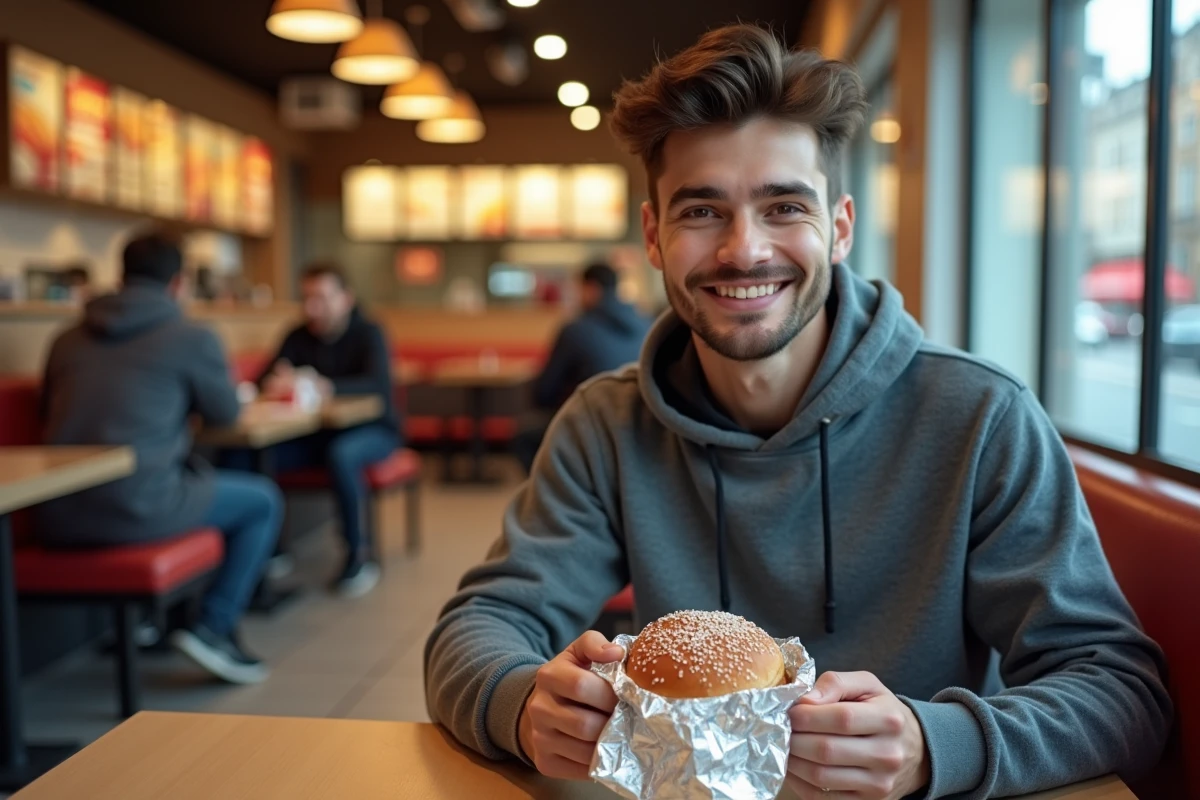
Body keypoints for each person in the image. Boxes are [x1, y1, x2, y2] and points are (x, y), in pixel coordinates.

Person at [424, 25, 1172, 799]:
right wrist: (522, 706)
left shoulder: (979, 417)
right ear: (653, 235)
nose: (745, 250)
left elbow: (1121, 692)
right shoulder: (605, 425)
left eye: (784, 206)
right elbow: (475, 627)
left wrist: (934, 743)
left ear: (839, 228)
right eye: (701, 211)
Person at [37, 233, 281, 685]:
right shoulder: (191, 335)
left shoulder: (65, 339)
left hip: (55, 511)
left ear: (120, 276)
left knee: (189, 478)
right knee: (261, 500)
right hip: (138, 507)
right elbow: (225, 416)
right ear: (178, 283)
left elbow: (45, 414)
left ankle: (156, 623)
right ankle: (213, 625)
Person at [251, 261, 399, 599]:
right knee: (255, 455)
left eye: (321, 298)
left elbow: (377, 385)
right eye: (306, 298)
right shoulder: (297, 335)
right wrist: (277, 382)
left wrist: (323, 386)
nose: (312, 308)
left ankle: (359, 556)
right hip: (315, 435)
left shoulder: (368, 332)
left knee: (343, 453)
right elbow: (264, 378)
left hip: (374, 432)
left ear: (345, 298)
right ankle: (268, 550)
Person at [512, 263, 651, 473]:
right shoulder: (646, 325)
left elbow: (544, 392)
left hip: (593, 425)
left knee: (524, 437)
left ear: (591, 289)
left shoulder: (575, 330)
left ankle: (554, 500)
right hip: (643, 428)